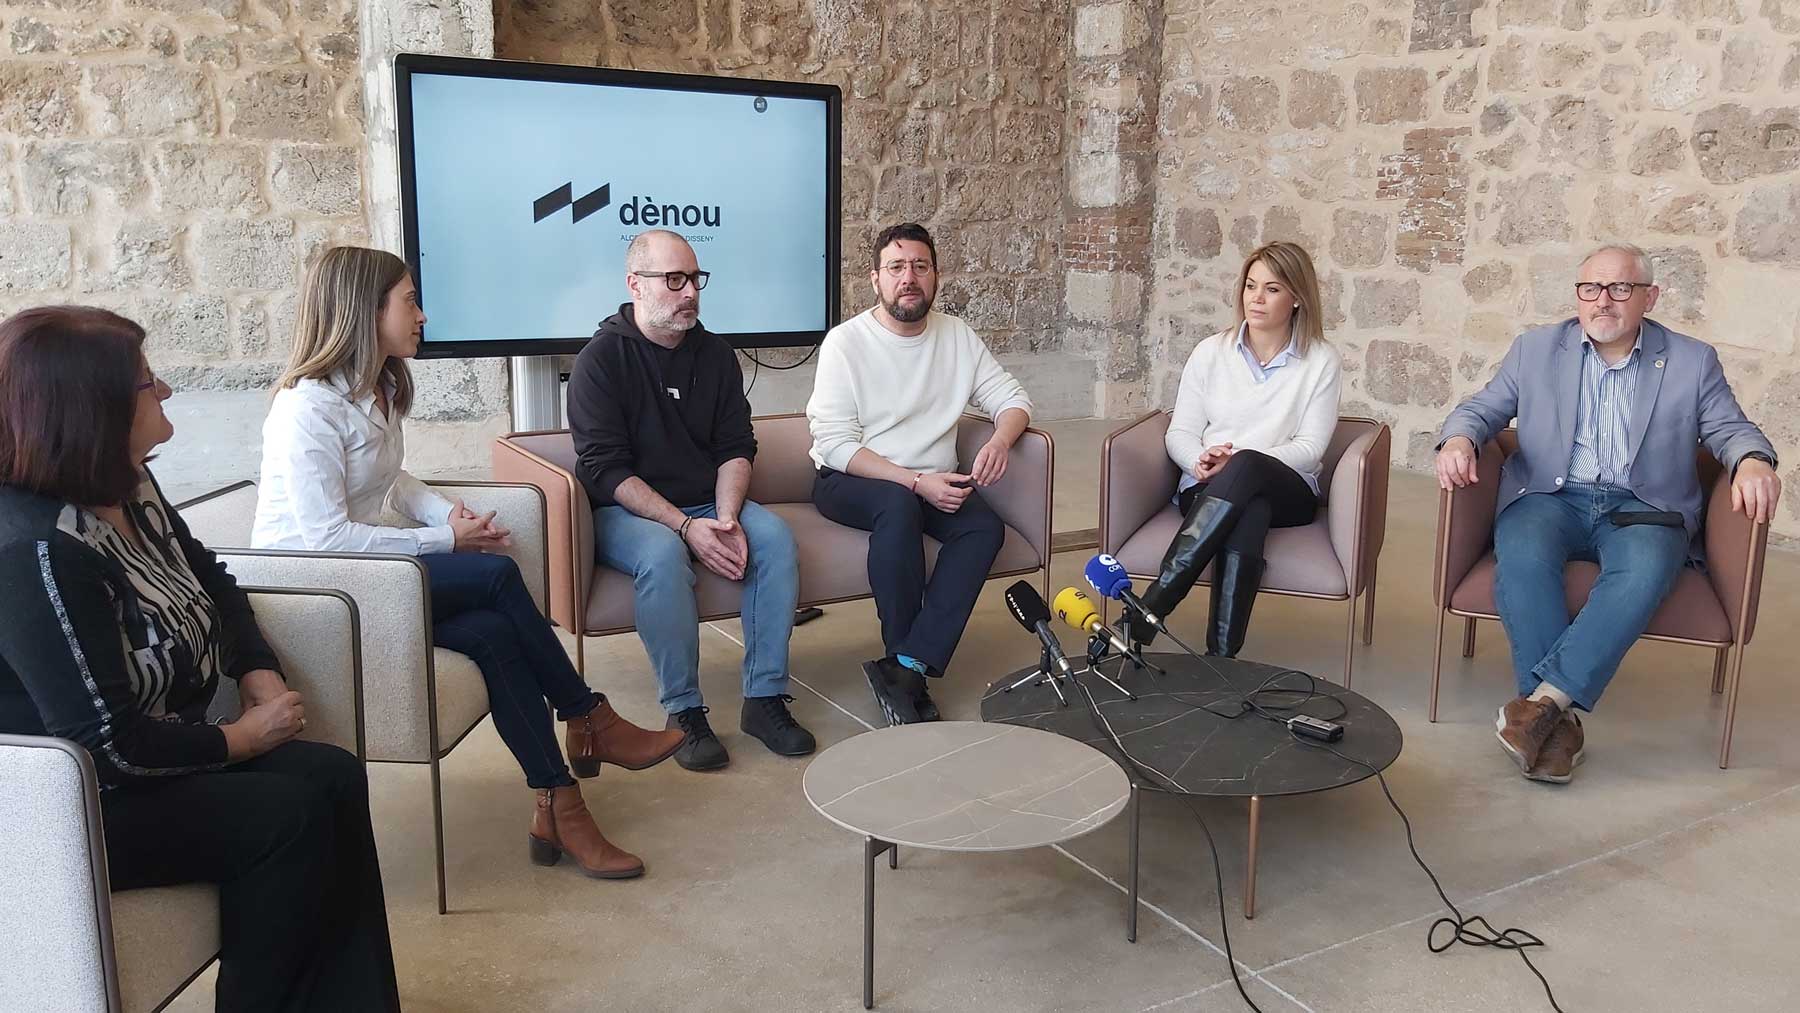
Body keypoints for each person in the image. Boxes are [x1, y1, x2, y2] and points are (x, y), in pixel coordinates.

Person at [0, 306, 401, 1012]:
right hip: (65, 804)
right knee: (287, 814)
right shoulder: (36, 551)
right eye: (149, 383)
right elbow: (107, 745)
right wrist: (242, 738)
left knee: (333, 775)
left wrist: (257, 669)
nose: (168, 393)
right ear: (93, 410)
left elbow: (211, 579)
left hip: (148, 760)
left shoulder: (128, 484)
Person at [253, 247, 684, 879]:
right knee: (495, 573)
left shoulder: (377, 390)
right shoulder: (307, 408)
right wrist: (444, 543)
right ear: (364, 311)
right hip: (321, 591)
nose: (422, 315)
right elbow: (324, 540)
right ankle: (588, 717)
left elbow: (390, 480)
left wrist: (444, 515)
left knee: (496, 634)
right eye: (409, 301)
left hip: (372, 579)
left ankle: (558, 802)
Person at [1436, 243, 1781, 784]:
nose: (1603, 301)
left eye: (1620, 289)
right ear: (1578, 295)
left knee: (1643, 572)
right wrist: (1458, 437)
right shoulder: (1536, 349)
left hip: (1644, 505)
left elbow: (1729, 428)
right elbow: (1482, 407)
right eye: (1590, 289)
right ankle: (1557, 722)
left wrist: (1754, 461)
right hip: (1551, 496)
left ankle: (1542, 707)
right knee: (1522, 556)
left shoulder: (1691, 360)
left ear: (1649, 297)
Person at [566, 229, 814, 771]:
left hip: (707, 500)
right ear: (635, 284)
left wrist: (725, 516)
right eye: (673, 280)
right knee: (660, 557)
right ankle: (684, 710)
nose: (690, 293)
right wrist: (684, 527)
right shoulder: (600, 362)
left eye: (695, 279)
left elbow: (735, 446)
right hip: (624, 511)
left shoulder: (716, 355)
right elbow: (606, 470)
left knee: (771, 538)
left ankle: (765, 697)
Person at [806, 222, 1035, 726]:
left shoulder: (958, 337)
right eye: (896, 267)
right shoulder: (846, 343)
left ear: (936, 276)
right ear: (875, 280)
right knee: (900, 504)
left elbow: (1013, 399)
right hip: (851, 479)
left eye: (920, 266)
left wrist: (1000, 439)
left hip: (933, 478)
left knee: (982, 527)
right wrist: (913, 481)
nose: (908, 277)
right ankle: (900, 654)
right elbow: (836, 443)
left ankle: (907, 667)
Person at [1130, 241, 1343, 657]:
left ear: (1297, 298)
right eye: (1250, 286)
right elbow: (1181, 432)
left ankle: (1153, 605)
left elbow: (1312, 448)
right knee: (1250, 511)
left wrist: (1243, 461)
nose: (1256, 298)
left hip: (1290, 491)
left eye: (1272, 289)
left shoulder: (1321, 360)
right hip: (1209, 487)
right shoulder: (1211, 352)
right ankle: (1223, 658)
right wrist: (1199, 460)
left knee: (1247, 467)